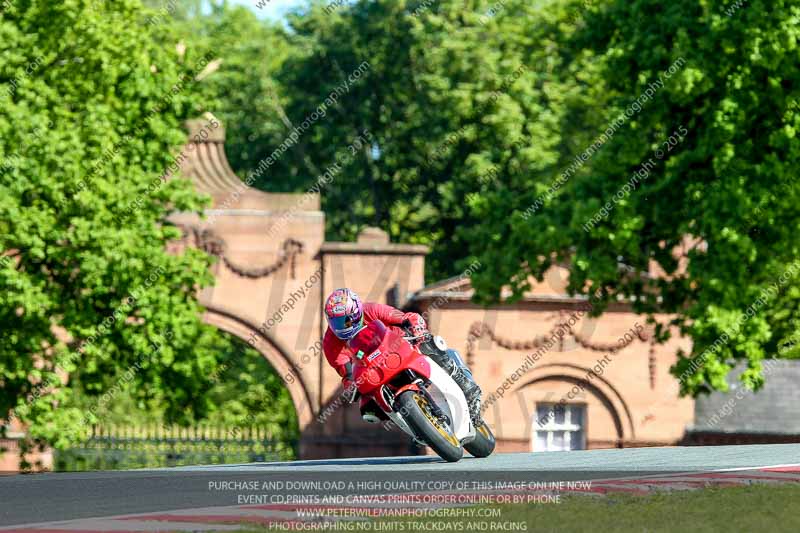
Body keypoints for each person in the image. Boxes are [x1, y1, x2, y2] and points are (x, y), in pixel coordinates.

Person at [322, 288, 482, 424]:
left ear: (357, 311)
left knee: (427, 344)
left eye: (346, 320)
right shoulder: (330, 343)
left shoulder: (371, 309)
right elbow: (346, 372)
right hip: (374, 370)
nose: (342, 327)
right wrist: (351, 386)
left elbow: (405, 317)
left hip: (400, 346)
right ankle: (414, 425)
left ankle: (468, 388)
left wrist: (416, 327)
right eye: (336, 323)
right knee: (369, 410)